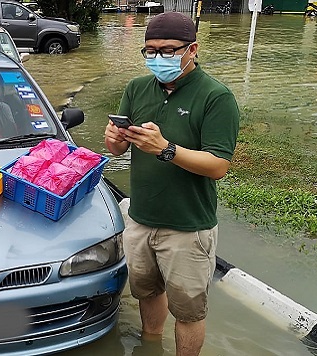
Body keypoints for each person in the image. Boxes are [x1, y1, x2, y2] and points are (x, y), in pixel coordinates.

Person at [104, 12, 239, 356]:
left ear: (192, 49)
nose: (157, 58)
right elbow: (119, 147)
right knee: (147, 293)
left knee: (189, 311)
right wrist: (115, 140)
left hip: (187, 227)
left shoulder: (215, 97)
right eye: (150, 50)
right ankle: (150, 347)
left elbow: (218, 166)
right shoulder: (137, 88)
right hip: (141, 217)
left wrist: (166, 149)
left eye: (167, 50)